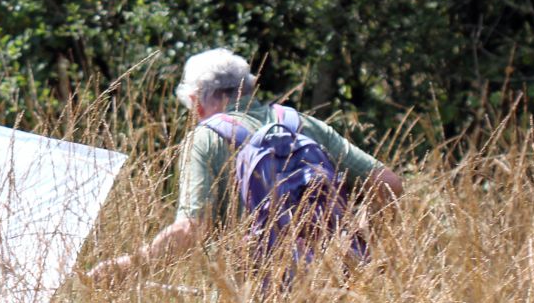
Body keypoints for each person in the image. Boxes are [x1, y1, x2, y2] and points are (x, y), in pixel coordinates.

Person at [88, 48, 403, 282]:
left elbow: (191, 229)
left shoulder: (205, 139)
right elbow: (389, 184)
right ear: (250, 89)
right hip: (327, 292)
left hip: (247, 298)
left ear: (197, 102)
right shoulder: (301, 124)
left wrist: (130, 267)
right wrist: (358, 252)